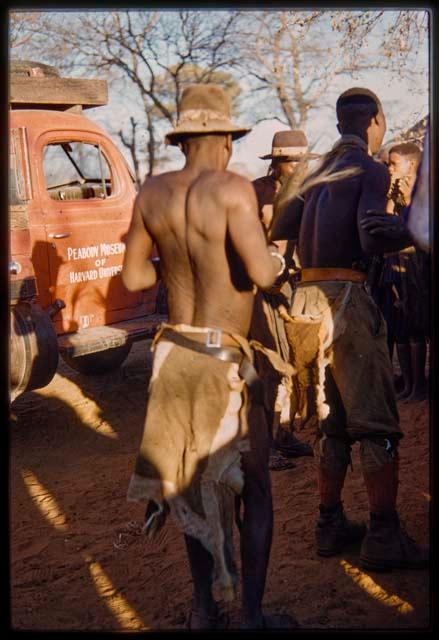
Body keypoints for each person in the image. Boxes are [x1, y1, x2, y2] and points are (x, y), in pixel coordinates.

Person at [123, 84, 296, 629]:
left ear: (182, 140)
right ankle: (250, 616)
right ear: (224, 137)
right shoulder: (233, 189)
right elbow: (263, 274)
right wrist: (274, 260)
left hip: (173, 358)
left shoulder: (151, 193)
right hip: (227, 362)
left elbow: (133, 276)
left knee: (193, 488)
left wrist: (175, 264)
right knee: (256, 491)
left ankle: (203, 613)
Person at [270, 87, 428, 571]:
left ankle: (330, 523)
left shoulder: (315, 171)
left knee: (333, 424)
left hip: (307, 301)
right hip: (347, 301)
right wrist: (416, 231)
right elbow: (371, 232)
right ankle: (383, 535)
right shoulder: (371, 168)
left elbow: (283, 224)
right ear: (375, 121)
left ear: (340, 123)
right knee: (377, 424)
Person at [251, 130, 316, 470]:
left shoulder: (309, 192)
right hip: (261, 289)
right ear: (277, 162)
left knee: (294, 361)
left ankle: (284, 433)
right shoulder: (255, 191)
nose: (301, 167)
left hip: (297, 286)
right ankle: (263, 446)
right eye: (295, 161)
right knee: (268, 364)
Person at [385, 142, 429, 402]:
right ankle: (411, 385)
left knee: (418, 320)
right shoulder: (394, 189)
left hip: (417, 262)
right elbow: (387, 217)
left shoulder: (423, 188)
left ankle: (420, 386)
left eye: (394, 164)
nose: (390, 169)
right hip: (397, 262)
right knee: (403, 321)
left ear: (411, 163)